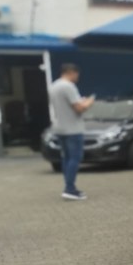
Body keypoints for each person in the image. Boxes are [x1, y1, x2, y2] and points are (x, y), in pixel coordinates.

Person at [49, 63, 95, 200]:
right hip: (72, 129)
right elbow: (79, 108)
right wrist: (89, 102)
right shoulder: (68, 86)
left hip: (60, 127)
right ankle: (69, 189)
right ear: (72, 72)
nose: (77, 77)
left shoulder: (54, 85)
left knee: (66, 158)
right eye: (77, 74)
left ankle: (69, 187)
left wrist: (81, 102)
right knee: (75, 158)